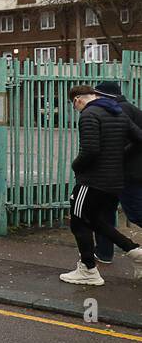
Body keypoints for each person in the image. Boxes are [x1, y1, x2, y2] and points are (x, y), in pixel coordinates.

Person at [60, 84, 142, 285]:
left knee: (78, 221)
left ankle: (88, 270)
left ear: (78, 99)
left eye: (74, 105)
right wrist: (118, 155)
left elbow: (90, 151)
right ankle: (134, 251)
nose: (76, 108)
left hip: (92, 180)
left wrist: (75, 166)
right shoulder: (118, 113)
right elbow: (140, 139)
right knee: (95, 220)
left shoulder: (89, 115)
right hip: (114, 181)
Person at [91, 81, 142, 268]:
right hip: (120, 172)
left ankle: (104, 252)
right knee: (104, 212)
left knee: (136, 213)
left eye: (96, 95)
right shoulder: (127, 108)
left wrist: (114, 156)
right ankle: (103, 252)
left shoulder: (121, 110)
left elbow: (131, 140)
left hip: (127, 173)